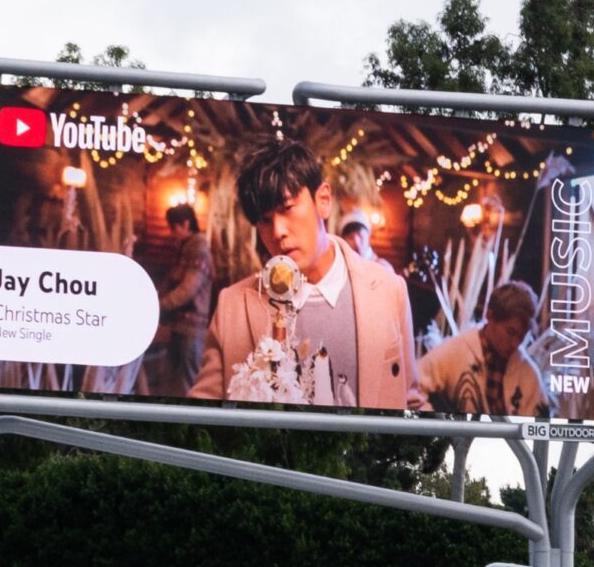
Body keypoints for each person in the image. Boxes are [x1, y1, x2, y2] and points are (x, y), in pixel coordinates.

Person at [191, 139, 425, 411]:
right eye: (264, 221)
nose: (277, 231)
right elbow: (204, 413)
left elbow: (410, 401)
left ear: (323, 201)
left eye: (286, 208)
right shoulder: (233, 305)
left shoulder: (388, 290)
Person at [417, 281, 549, 419]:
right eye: (511, 332)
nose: (516, 343)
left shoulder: (528, 373)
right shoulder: (455, 351)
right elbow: (412, 387)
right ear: (490, 316)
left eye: (522, 335)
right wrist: (439, 426)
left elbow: (541, 424)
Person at [135, 203, 213, 398]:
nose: (172, 233)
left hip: (191, 330)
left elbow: (187, 290)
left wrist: (158, 306)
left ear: (186, 224)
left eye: (174, 227)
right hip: (179, 328)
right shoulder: (186, 251)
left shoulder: (198, 252)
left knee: (188, 383)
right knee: (175, 383)